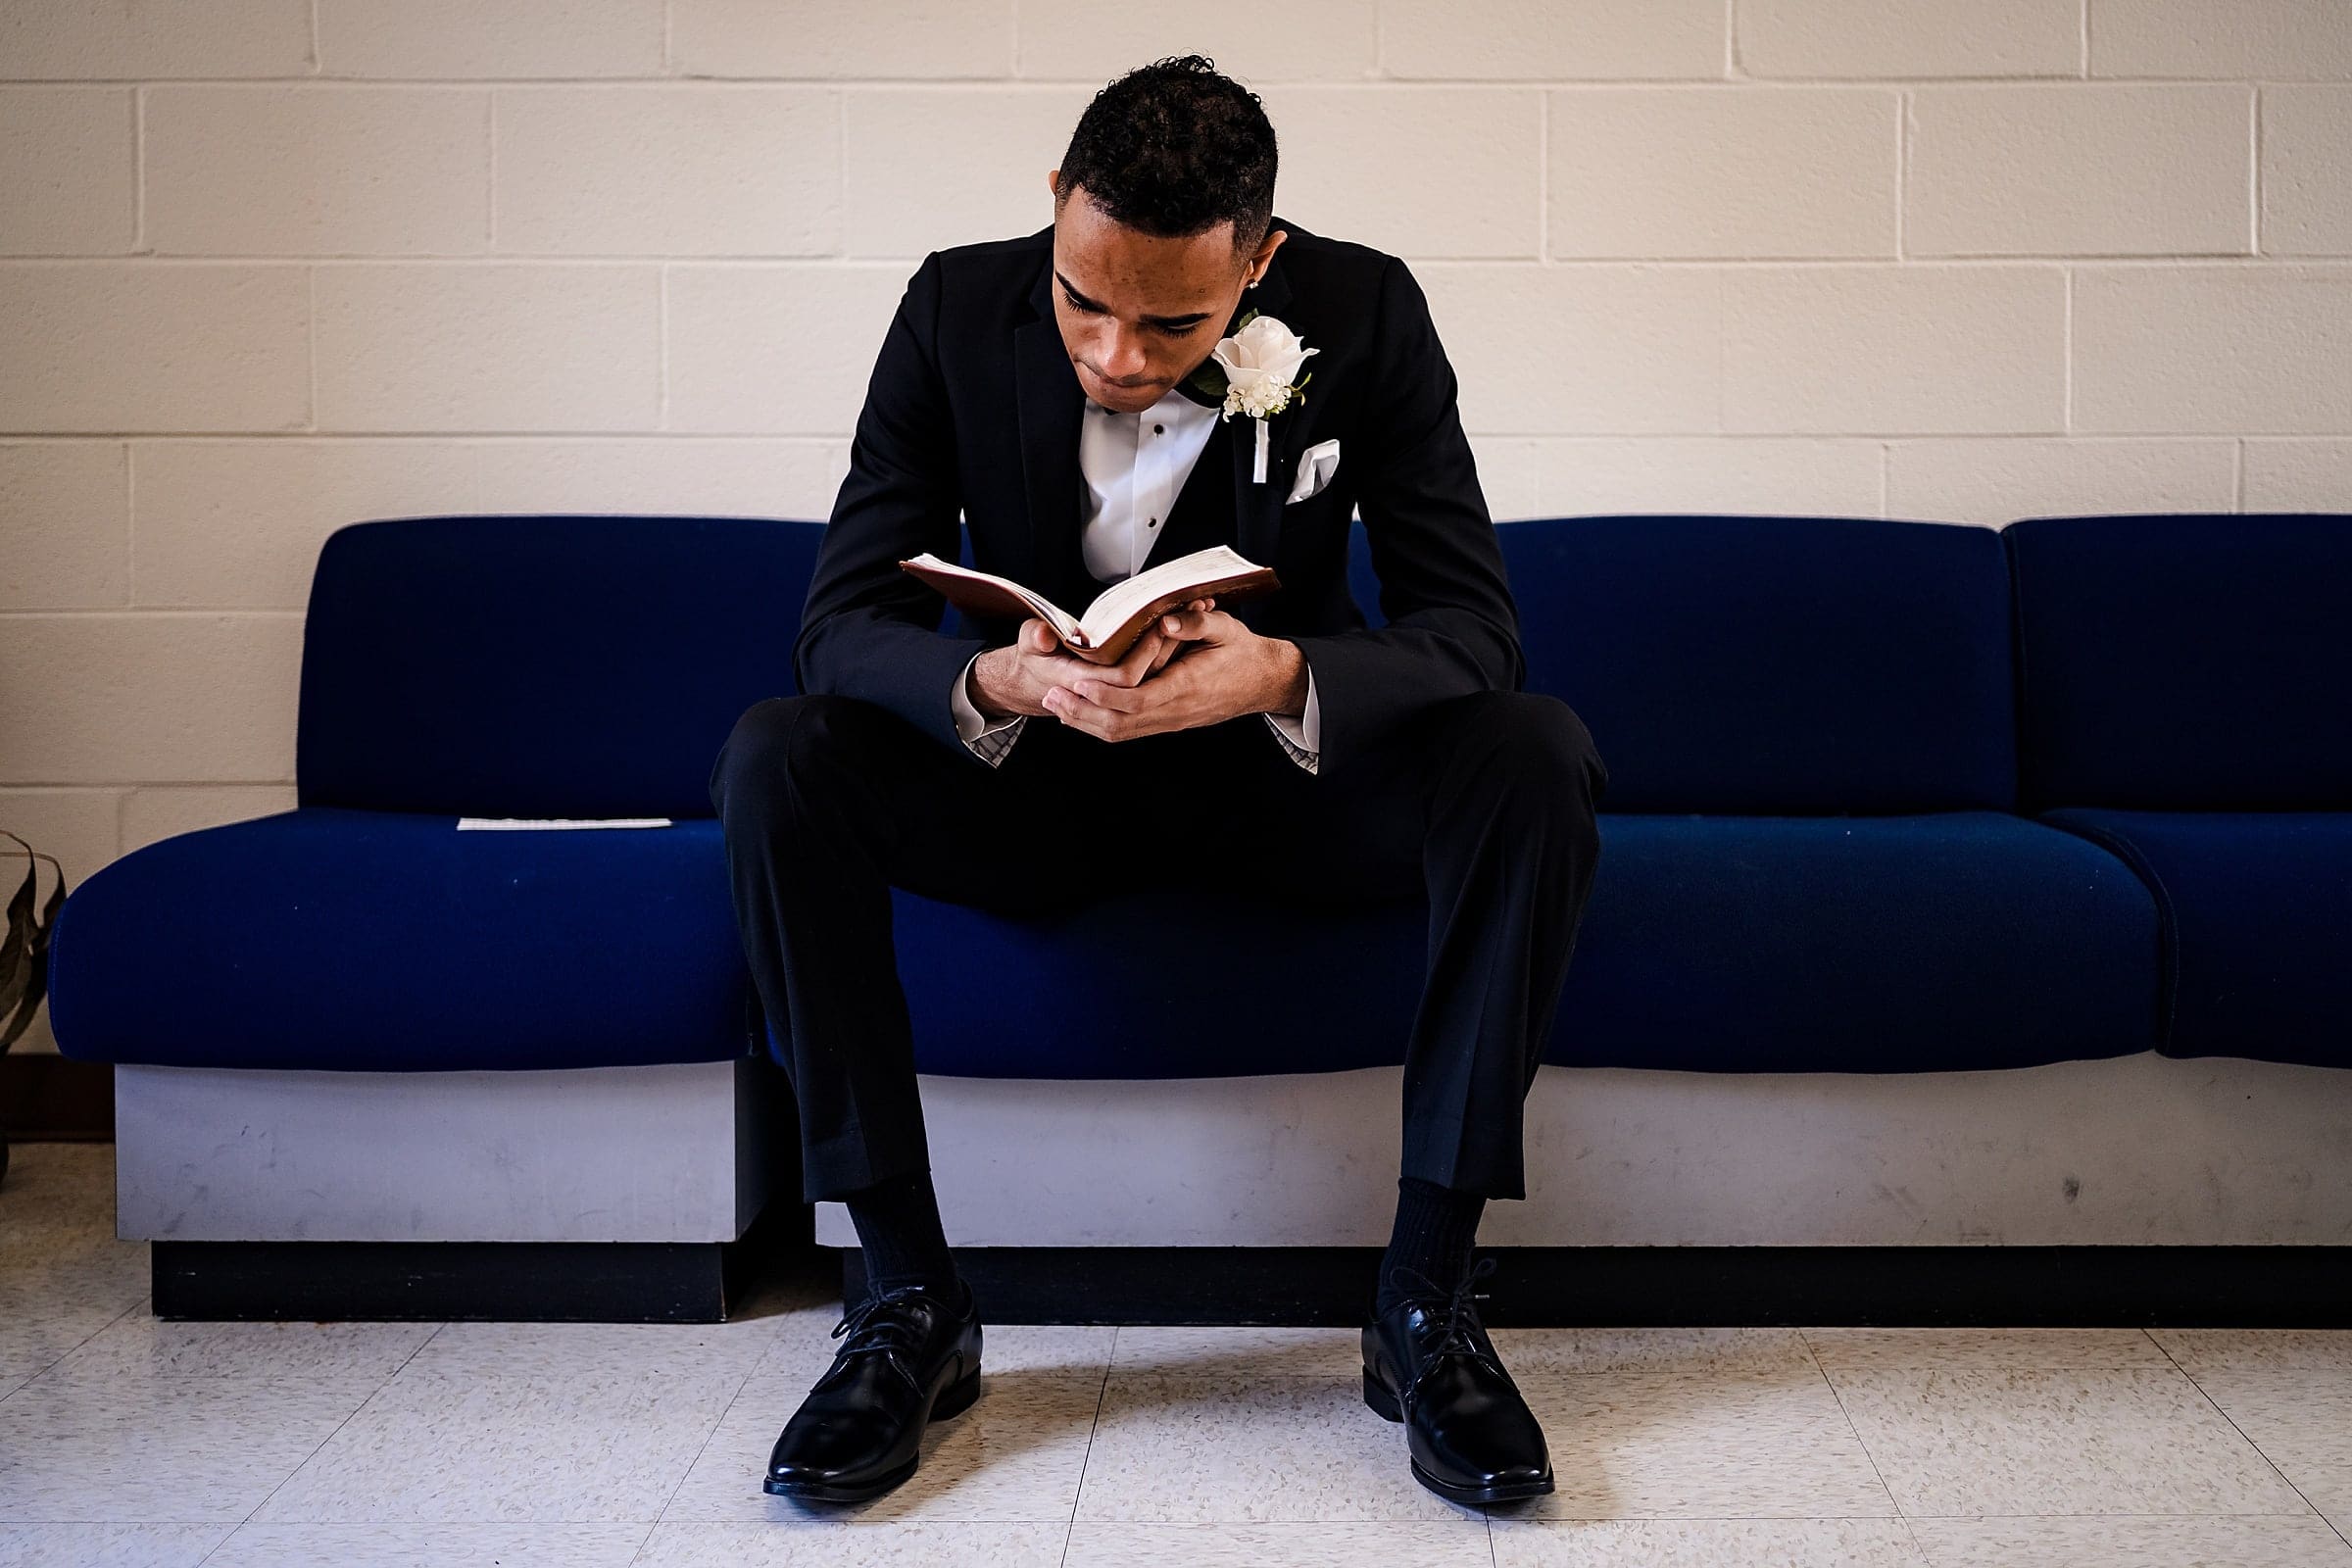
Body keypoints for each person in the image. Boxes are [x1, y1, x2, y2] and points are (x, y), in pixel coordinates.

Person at [708, 53, 1609, 1509]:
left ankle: (1427, 1304)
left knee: (1536, 751)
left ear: (1261, 260)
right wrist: (991, 676)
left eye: (1175, 323)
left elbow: (1475, 629)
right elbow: (838, 625)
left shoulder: (1367, 309)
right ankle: (905, 1304)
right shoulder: (949, 303)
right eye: (1083, 299)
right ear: (1055, 205)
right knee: (775, 757)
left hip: (1273, 789)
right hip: (1026, 793)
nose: (1118, 355)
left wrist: (1278, 674)